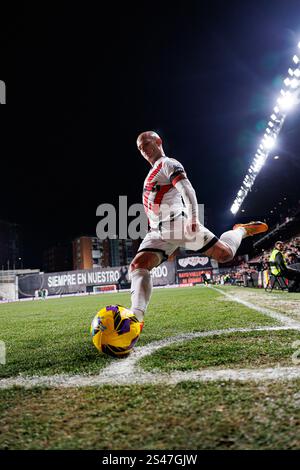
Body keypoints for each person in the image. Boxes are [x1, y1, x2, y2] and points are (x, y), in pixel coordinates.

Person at [129, 131, 268, 322]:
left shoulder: (168, 163)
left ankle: (241, 230)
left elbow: (187, 189)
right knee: (137, 265)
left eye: (146, 143)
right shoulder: (151, 173)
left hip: (177, 224)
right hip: (157, 231)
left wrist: (193, 217)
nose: (143, 149)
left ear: (158, 141)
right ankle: (135, 319)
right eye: (139, 147)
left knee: (225, 254)